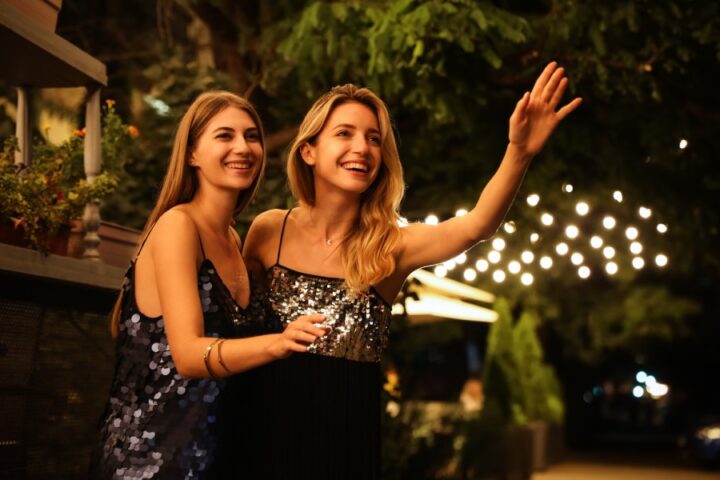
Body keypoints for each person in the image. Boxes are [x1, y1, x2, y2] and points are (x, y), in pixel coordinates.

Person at [242, 62, 581, 478]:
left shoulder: (391, 245)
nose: (362, 148)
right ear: (308, 151)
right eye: (344, 133)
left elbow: (475, 225)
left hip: (344, 449)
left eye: (373, 139)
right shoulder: (267, 231)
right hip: (263, 438)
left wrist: (519, 152)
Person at [90, 91, 327, 479]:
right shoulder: (178, 226)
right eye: (224, 136)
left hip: (215, 458)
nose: (243, 147)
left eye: (252, 136)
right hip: (150, 463)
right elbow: (186, 354)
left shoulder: (235, 241)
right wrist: (278, 342)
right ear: (192, 154)